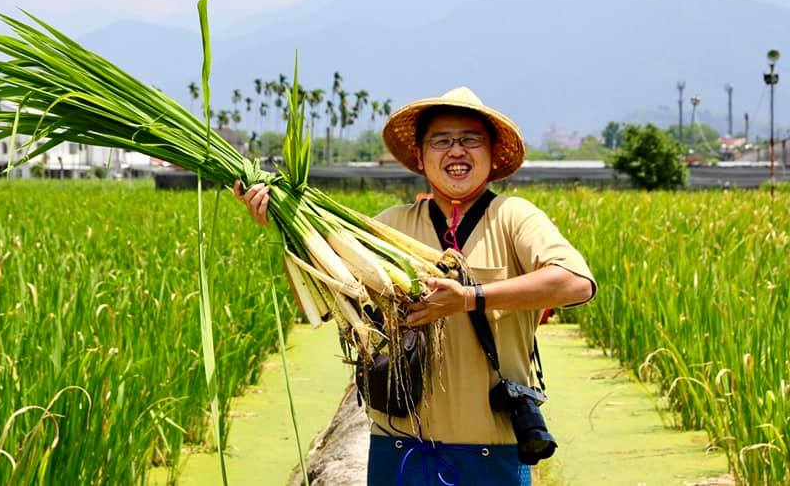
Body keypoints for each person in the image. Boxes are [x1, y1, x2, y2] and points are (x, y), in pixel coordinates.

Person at [235, 87, 596, 485]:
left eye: (470, 139)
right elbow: (326, 302)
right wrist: (285, 227)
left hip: (493, 452)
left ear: (492, 155)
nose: (456, 151)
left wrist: (469, 299)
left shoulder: (513, 218)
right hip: (398, 450)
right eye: (441, 141)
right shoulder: (388, 227)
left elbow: (575, 283)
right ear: (421, 157)